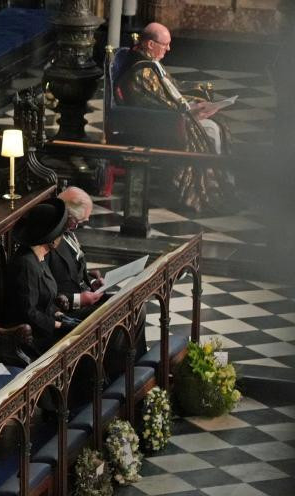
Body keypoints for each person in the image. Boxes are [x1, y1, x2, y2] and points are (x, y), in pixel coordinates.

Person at [114, 22, 233, 212]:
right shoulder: (142, 71)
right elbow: (154, 103)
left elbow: (171, 89)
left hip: (171, 115)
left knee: (217, 124)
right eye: (165, 44)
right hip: (155, 123)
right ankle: (206, 189)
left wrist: (197, 102)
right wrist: (189, 111)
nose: (169, 49)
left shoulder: (151, 63)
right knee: (210, 129)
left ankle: (219, 185)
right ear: (151, 44)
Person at [5, 198, 73, 355]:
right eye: (60, 233)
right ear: (51, 239)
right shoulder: (26, 264)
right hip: (33, 337)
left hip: (46, 325)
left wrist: (58, 314)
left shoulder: (41, 256)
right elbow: (29, 312)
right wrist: (58, 325)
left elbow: (46, 299)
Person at [51, 188, 105, 314]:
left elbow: (76, 269)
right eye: (75, 221)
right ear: (65, 213)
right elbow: (47, 290)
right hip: (67, 309)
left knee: (135, 308)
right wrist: (78, 299)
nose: (75, 227)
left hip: (86, 295)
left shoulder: (68, 233)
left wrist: (92, 283)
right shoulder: (49, 243)